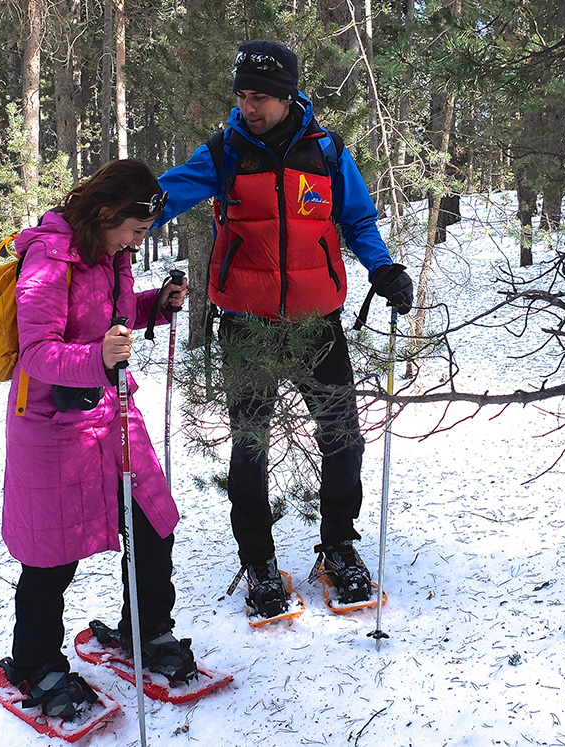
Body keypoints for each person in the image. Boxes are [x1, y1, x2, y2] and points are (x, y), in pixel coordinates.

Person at [154, 40, 413, 618]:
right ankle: (258, 560)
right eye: (243, 96)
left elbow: (357, 218)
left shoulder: (324, 151)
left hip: (317, 321)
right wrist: (98, 217)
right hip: (246, 324)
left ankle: (339, 546)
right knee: (250, 446)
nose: (251, 107)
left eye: (262, 97)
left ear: (289, 94)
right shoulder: (224, 152)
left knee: (343, 435)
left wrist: (384, 266)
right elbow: (163, 196)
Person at [0, 159, 193, 719]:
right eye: (134, 230)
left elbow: (106, 314)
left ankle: (146, 630)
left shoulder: (113, 254)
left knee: (153, 521)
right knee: (52, 554)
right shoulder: (49, 255)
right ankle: (35, 663)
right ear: (106, 213)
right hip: (52, 423)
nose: (139, 240)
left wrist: (154, 305)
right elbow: (36, 349)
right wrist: (96, 357)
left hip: (113, 411)